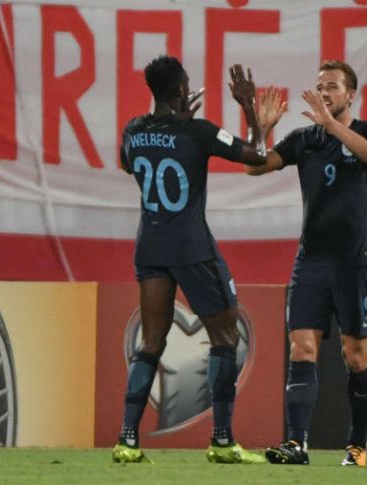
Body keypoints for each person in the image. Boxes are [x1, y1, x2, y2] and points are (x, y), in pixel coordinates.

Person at [112, 55, 267, 465]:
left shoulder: (134, 130)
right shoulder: (199, 132)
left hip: (151, 247)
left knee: (151, 342)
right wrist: (249, 108)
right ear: (183, 90)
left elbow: (126, 163)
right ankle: (222, 440)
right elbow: (257, 154)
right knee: (225, 336)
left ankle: (127, 439)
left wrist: (172, 129)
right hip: (192, 248)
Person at [247, 60, 367, 467]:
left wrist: (332, 126)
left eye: (333, 86)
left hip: (356, 262)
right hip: (311, 261)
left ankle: (357, 445)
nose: (324, 92)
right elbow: (254, 166)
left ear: (351, 95)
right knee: (302, 347)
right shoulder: (304, 139)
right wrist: (261, 130)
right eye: (320, 86)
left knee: (357, 355)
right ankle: (296, 444)